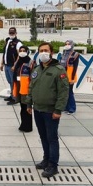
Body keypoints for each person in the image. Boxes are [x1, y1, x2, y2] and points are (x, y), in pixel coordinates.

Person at [25, 42, 69, 178]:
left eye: (46, 50)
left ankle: (53, 165)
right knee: (43, 137)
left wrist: (58, 110)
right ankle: (46, 160)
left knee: (52, 138)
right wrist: (28, 104)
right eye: (41, 50)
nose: (43, 53)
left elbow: (63, 92)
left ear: (51, 53)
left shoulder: (59, 70)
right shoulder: (37, 69)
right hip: (37, 109)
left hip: (51, 111)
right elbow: (31, 87)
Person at [10, 45, 33, 132]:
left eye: (24, 50)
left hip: (26, 89)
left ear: (27, 52)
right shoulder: (18, 61)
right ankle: (23, 124)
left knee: (27, 108)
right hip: (19, 87)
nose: (22, 52)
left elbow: (33, 77)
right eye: (20, 51)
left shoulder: (31, 62)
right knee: (22, 108)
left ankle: (27, 127)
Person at [0, 27, 22, 103]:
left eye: (13, 33)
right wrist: (2, 64)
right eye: (10, 33)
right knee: (10, 81)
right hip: (6, 65)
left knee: (14, 82)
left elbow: (19, 55)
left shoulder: (18, 43)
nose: (11, 34)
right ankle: (12, 95)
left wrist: (15, 65)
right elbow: (4, 53)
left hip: (12, 66)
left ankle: (14, 98)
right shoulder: (8, 41)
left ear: (16, 33)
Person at [60, 39, 79, 114]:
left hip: (70, 76)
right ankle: (66, 107)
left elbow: (75, 67)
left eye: (69, 44)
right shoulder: (64, 53)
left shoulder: (75, 54)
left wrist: (72, 78)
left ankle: (72, 108)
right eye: (66, 44)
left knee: (70, 92)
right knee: (64, 92)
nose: (67, 45)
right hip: (63, 76)